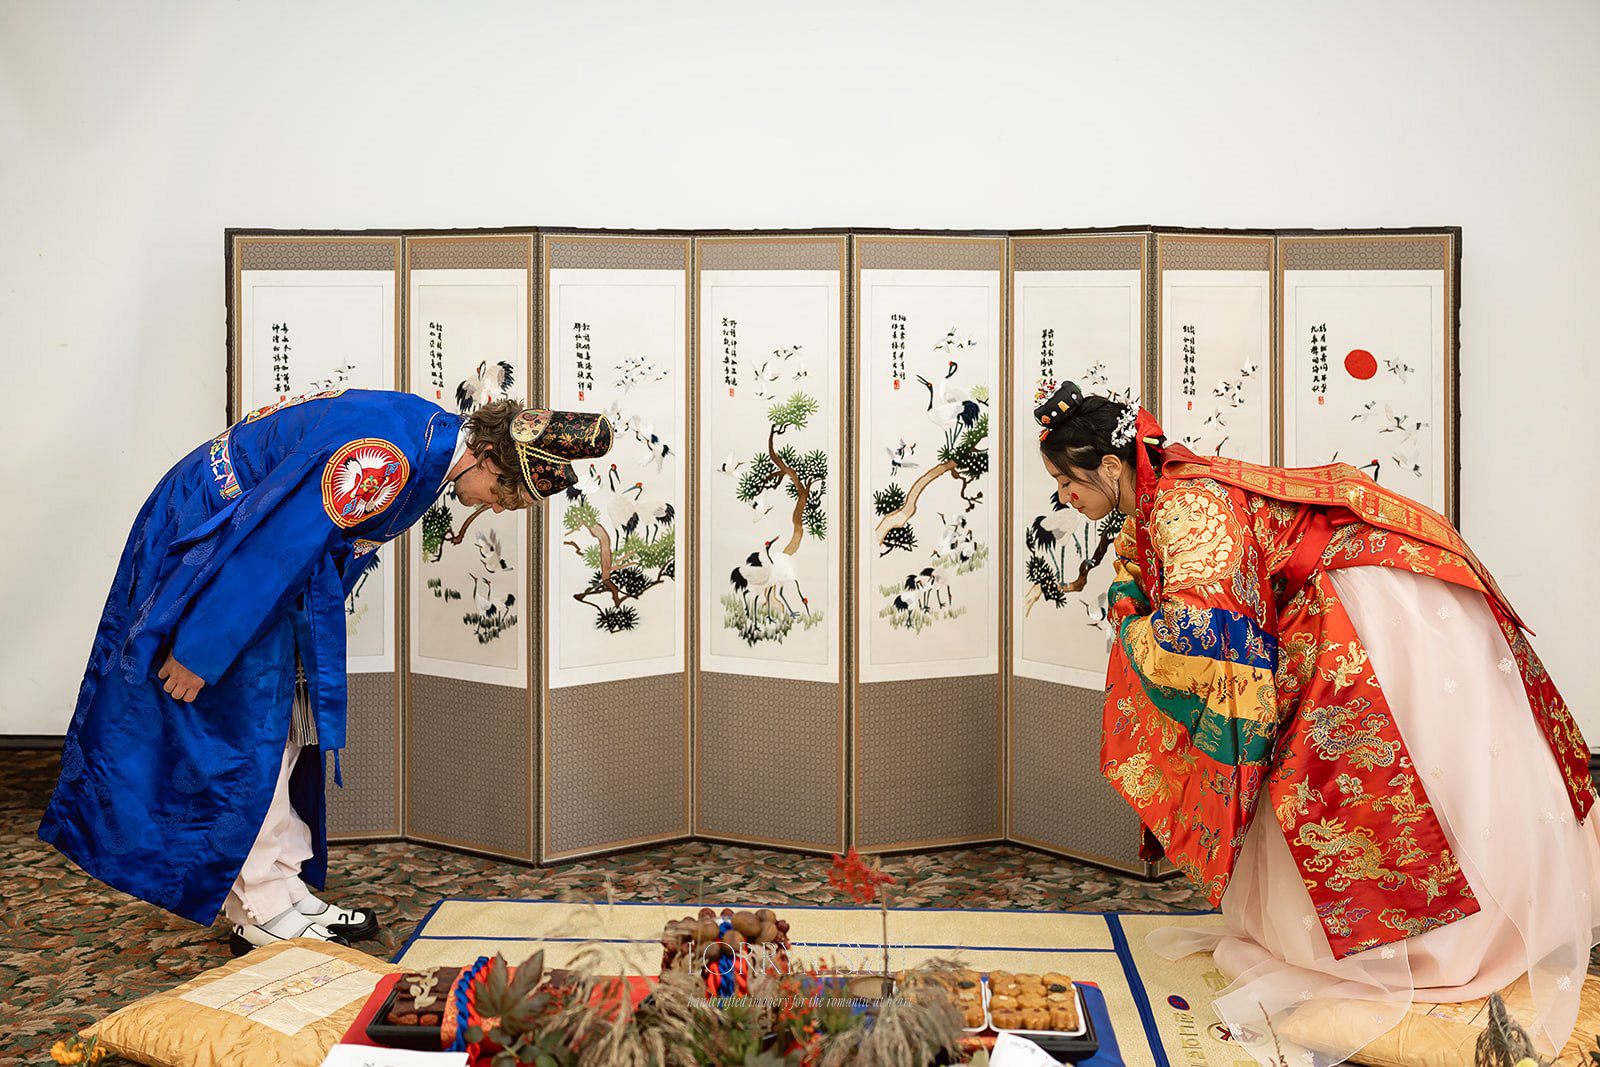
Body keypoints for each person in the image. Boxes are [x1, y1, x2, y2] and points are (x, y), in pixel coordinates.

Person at [1034, 381, 1600, 1063]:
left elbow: (1202, 623)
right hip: (1337, 594)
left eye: (1067, 483)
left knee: (1374, 782)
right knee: (1386, 783)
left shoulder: (1184, 502)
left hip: (1368, 602)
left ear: (1110, 466)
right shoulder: (1158, 496)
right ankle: (1406, 943)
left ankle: (1428, 952)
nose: (1067, 499)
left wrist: (1133, 633)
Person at [39, 389, 611, 955]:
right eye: (507, 493)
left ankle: (281, 883)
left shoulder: (428, 435)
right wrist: (200, 648)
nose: (500, 508)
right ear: (488, 458)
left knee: (285, 718)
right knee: (245, 730)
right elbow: (273, 549)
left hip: (257, 553)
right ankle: (261, 905)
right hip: (217, 540)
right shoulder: (387, 458)